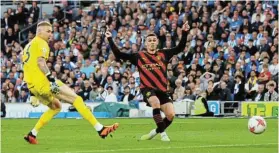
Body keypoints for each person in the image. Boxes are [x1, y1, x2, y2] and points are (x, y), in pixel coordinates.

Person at [22, 21, 119, 144]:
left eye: (51, 31)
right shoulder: (42, 43)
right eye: (48, 31)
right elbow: (40, 63)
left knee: (56, 107)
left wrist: (32, 93)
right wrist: (51, 79)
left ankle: (32, 134)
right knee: (77, 100)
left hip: (34, 87)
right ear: (39, 31)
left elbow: (27, 68)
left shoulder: (27, 47)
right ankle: (100, 129)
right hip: (45, 83)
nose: (51, 34)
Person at [106, 21, 190, 141]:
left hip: (162, 89)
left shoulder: (164, 54)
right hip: (147, 88)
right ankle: (163, 134)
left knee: (171, 115)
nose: (151, 42)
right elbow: (119, 54)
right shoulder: (139, 56)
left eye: (154, 40)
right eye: (149, 41)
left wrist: (185, 32)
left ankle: (154, 132)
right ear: (145, 43)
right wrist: (109, 39)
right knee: (155, 102)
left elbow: (180, 48)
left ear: (157, 43)